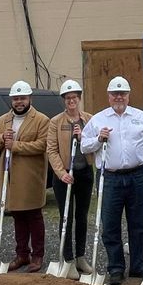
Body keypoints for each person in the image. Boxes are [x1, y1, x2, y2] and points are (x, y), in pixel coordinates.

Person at [80, 76, 143, 285]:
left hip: (138, 175)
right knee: (110, 225)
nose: (119, 97)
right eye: (115, 93)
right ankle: (116, 268)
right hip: (110, 177)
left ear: (129, 95)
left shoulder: (141, 117)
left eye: (123, 93)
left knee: (138, 224)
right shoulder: (98, 119)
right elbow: (84, 146)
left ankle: (138, 265)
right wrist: (98, 139)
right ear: (109, 96)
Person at [0, 80, 50, 272]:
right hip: (10, 176)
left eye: (22, 98)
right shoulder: (3, 120)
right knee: (17, 216)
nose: (19, 102)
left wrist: (16, 146)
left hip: (30, 176)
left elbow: (43, 145)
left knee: (34, 216)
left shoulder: (41, 120)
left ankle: (37, 255)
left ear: (29, 98)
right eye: (15, 99)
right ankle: (22, 253)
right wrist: (0, 139)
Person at [46, 79, 95, 275]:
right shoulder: (56, 122)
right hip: (64, 175)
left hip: (84, 173)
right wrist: (61, 173)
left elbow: (96, 143)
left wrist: (83, 136)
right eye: (67, 98)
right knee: (66, 217)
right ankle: (68, 259)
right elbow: (51, 150)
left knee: (82, 216)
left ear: (79, 98)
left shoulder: (89, 119)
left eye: (74, 97)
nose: (71, 101)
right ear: (64, 100)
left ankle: (80, 257)